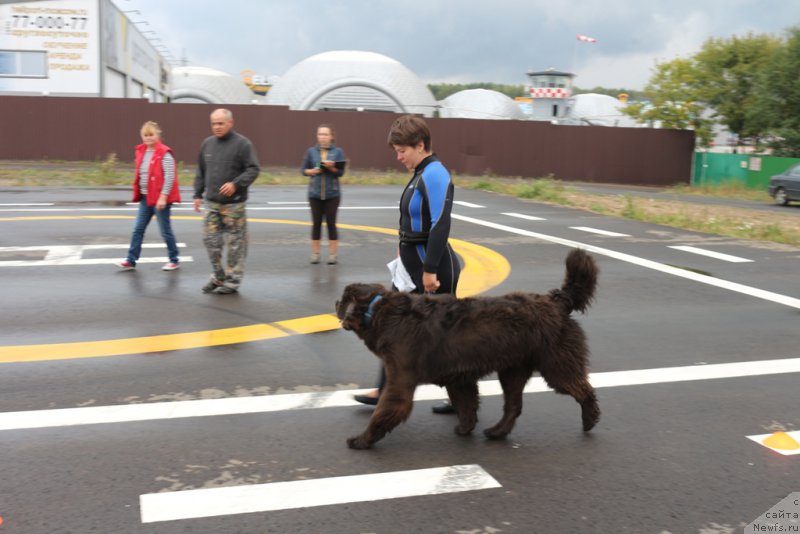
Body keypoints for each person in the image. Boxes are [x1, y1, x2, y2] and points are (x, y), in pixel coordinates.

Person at [354, 115, 461, 414]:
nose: (398, 157)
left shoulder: (436, 173)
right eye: (396, 151)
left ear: (420, 145)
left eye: (402, 150)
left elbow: (440, 224)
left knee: (445, 338)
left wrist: (429, 270)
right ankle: (384, 389)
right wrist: (403, 253)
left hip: (434, 269)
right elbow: (413, 222)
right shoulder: (420, 172)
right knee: (390, 325)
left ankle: (460, 396)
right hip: (411, 266)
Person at [193, 108, 260, 294]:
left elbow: (253, 169)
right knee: (210, 241)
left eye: (221, 123)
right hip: (212, 204)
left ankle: (232, 281)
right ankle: (218, 275)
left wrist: (236, 184)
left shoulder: (242, 144)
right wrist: (197, 194)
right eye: (214, 123)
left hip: (234, 205)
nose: (217, 127)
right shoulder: (207, 144)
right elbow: (201, 171)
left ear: (230, 123)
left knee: (235, 245)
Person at [117, 121, 181, 272]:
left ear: (157, 135)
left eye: (151, 134)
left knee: (165, 231)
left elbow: (170, 176)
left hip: (159, 200)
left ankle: (174, 260)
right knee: (137, 229)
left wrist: (163, 197)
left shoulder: (164, 153)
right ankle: (131, 260)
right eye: (145, 135)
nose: (148, 138)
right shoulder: (141, 151)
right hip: (146, 198)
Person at [301, 124, 346, 264]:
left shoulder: (338, 152)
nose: (323, 137)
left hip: (332, 194)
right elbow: (303, 170)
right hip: (314, 194)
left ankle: (333, 255)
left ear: (331, 136)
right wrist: (314, 171)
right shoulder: (311, 151)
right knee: (316, 224)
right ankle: (315, 254)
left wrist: (332, 168)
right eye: (320, 134)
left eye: (326, 134)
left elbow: (340, 172)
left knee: (331, 224)